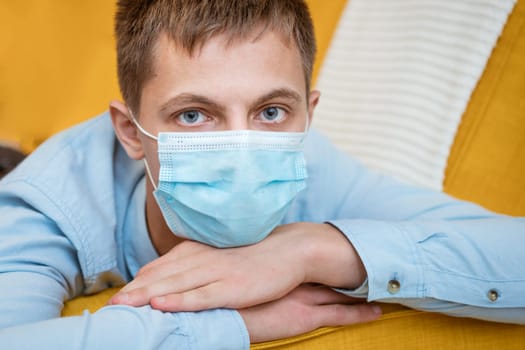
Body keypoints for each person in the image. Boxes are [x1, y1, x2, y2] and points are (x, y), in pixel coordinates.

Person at [0, 0, 523, 348]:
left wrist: (314, 249)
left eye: (270, 111)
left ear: (308, 115)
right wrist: (230, 325)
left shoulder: (318, 166)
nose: (240, 150)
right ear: (131, 131)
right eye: (193, 115)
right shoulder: (47, 204)